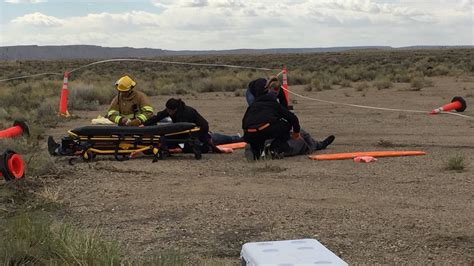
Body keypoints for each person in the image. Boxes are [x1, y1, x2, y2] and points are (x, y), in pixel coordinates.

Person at [242, 85, 334, 160]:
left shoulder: (253, 106)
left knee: (261, 137)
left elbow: (244, 122)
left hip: (250, 134)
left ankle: (254, 151)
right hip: (277, 138)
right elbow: (293, 119)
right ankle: (318, 145)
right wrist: (296, 132)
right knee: (301, 136)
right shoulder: (274, 104)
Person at [145, 98, 241, 152]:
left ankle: (239, 138)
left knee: (217, 140)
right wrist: (144, 124)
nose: (169, 113)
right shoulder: (170, 110)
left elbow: (184, 131)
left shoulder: (187, 113)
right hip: (189, 132)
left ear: (176, 109)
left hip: (201, 131)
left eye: (170, 111)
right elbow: (158, 117)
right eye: (167, 110)